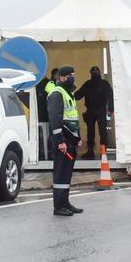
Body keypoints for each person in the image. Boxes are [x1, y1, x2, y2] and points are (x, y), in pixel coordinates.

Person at [46, 66, 83, 217]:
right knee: (61, 173)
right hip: (62, 141)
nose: (72, 77)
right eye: (69, 75)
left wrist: (78, 138)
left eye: (73, 75)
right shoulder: (57, 93)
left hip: (70, 140)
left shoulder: (69, 93)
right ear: (61, 77)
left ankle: (65, 202)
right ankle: (58, 206)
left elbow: (73, 118)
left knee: (67, 173)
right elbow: (55, 120)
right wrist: (60, 141)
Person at [74, 66, 114, 159]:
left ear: (99, 73)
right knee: (90, 132)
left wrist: (110, 109)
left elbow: (110, 97)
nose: (95, 73)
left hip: (101, 110)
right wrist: (70, 95)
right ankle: (91, 151)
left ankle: (103, 152)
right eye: (93, 72)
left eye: (96, 72)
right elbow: (79, 94)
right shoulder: (88, 84)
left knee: (102, 132)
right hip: (91, 111)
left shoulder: (104, 84)